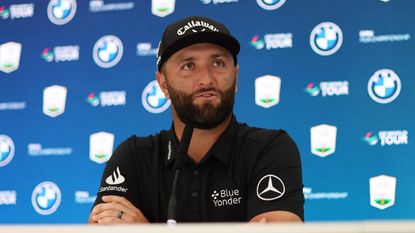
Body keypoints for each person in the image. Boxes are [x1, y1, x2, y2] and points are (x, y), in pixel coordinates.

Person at [88, 16, 304, 224]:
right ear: (163, 84)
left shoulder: (269, 150)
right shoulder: (133, 157)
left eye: (218, 63)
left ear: (236, 76)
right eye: (188, 66)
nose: (206, 79)